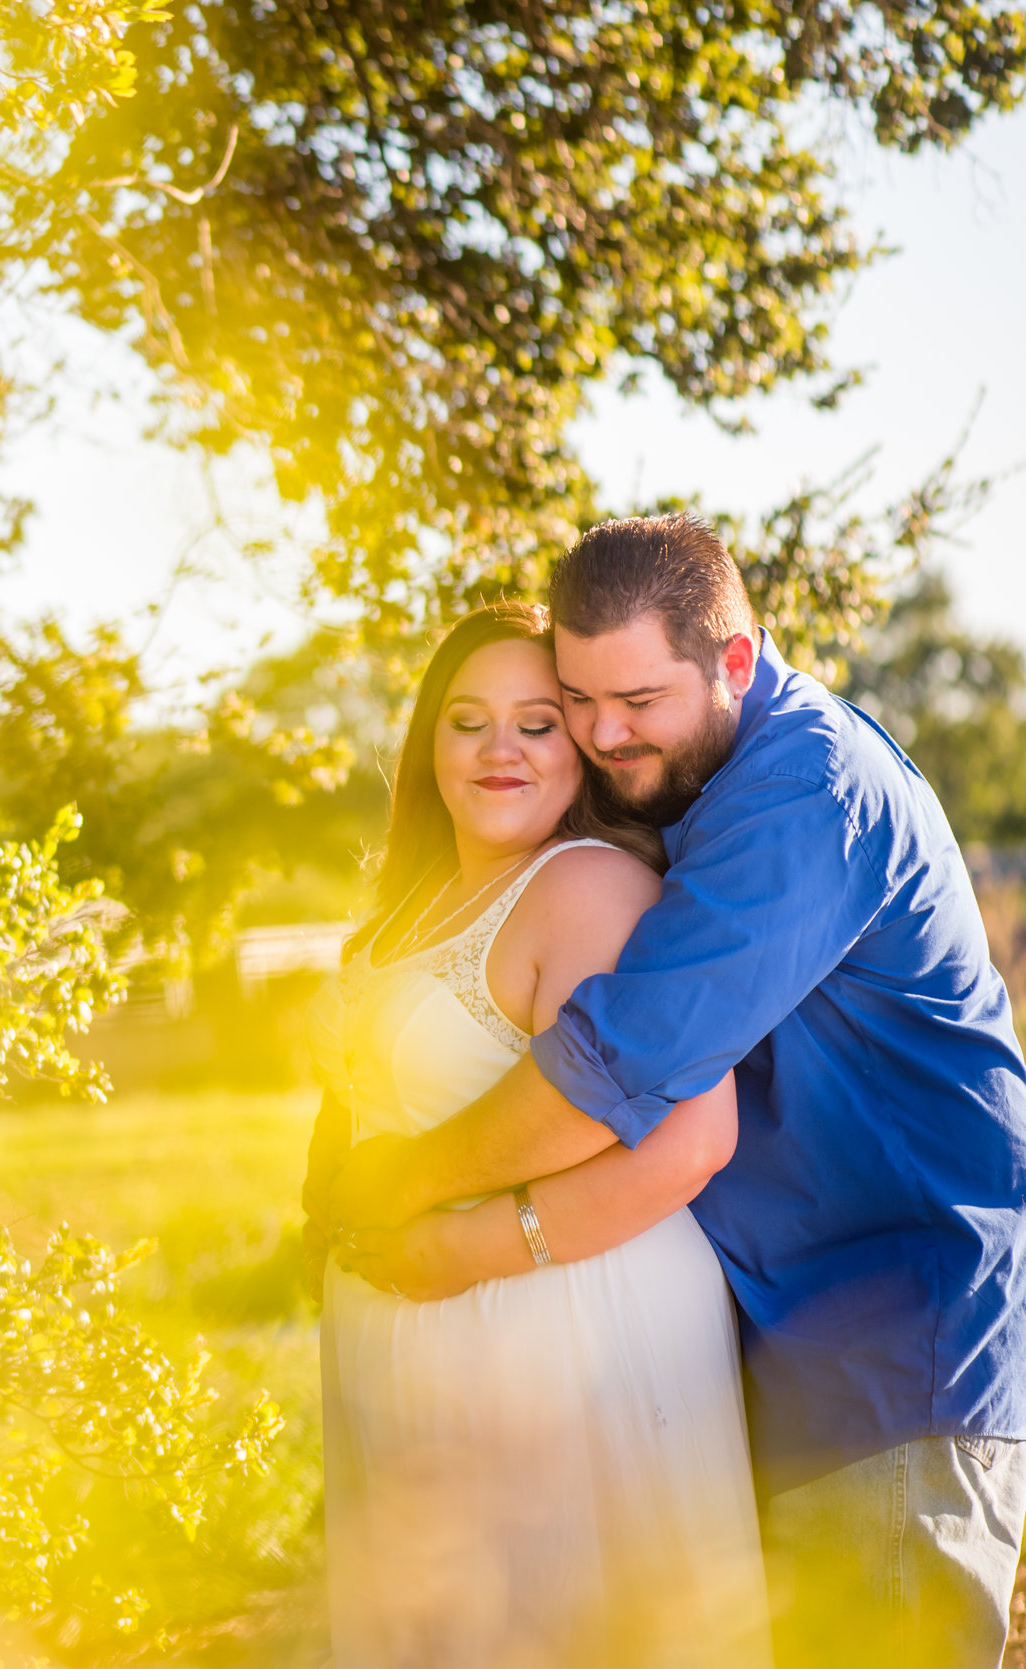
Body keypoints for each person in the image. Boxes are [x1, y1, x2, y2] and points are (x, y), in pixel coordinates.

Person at [320, 514, 1026, 1669]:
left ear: (736, 661)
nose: (604, 734)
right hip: (783, 1326)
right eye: (582, 700)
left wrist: (409, 1193)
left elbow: (614, 1067)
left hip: (893, 1333)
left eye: (640, 703)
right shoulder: (681, 782)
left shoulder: (804, 796)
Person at [305, 599, 772, 1667]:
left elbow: (689, 1139)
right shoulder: (410, 904)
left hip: (563, 1330)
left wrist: (466, 1247)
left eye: (535, 721)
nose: (499, 749)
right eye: (468, 721)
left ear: (582, 747)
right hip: (410, 1343)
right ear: (428, 745)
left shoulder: (590, 889)